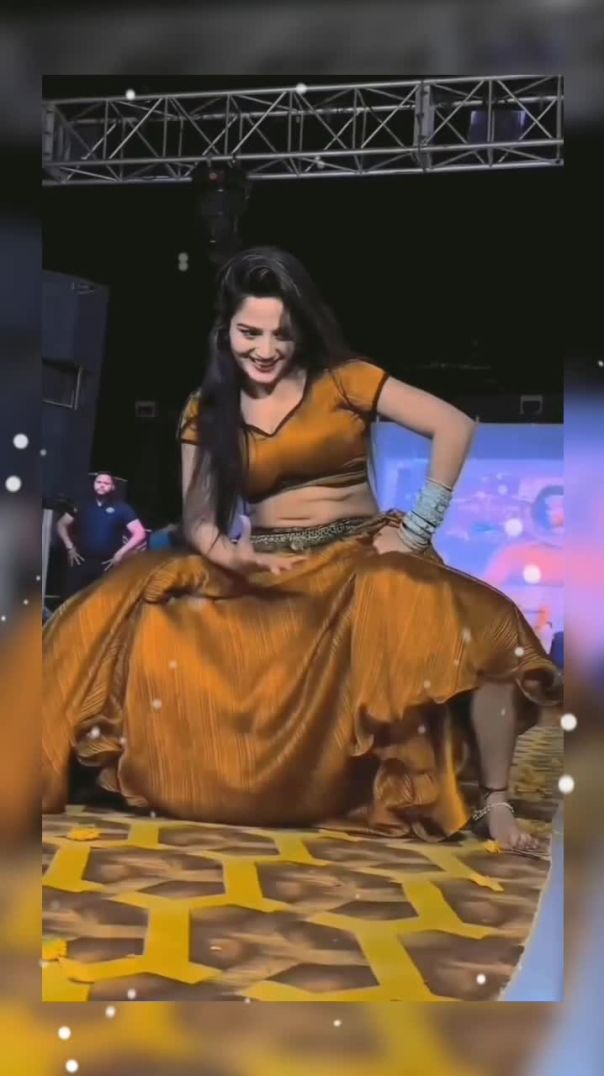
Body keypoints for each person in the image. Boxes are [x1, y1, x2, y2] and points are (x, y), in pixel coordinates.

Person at [43, 247, 561, 855]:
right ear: (226, 331)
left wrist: (417, 531)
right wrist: (230, 557)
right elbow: (200, 520)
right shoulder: (207, 409)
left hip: (361, 557)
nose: (265, 349)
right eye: (250, 333)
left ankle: (495, 802)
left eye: (281, 335)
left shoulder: (344, 380)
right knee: (113, 614)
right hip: (265, 565)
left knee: (487, 626)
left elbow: (455, 426)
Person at [56, 472, 146, 598]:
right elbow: (61, 524)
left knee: (102, 602)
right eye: (98, 482)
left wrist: (120, 553)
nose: (102, 485)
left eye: (106, 483)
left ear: (112, 487)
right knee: (70, 600)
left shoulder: (122, 508)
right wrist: (69, 547)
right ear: (94, 484)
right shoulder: (82, 504)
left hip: (107, 564)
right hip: (81, 560)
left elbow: (140, 533)